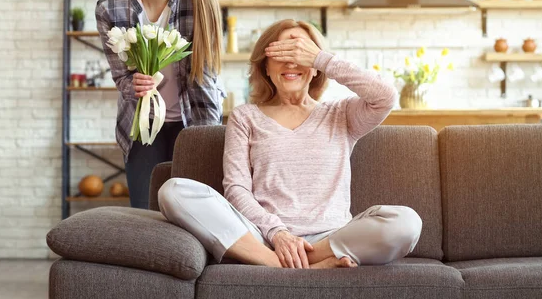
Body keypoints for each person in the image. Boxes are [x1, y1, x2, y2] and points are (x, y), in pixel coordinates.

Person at [158, 19, 423, 269]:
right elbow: (237, 189)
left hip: (331, 237)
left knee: (406, 222)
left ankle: (300, 259)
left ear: (315, 67)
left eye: (300, 54)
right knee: (173, 190)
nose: (291, 62)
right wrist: (278, 233)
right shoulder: (245, 116)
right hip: (264, 237)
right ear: (265, 66)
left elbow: (385, 96)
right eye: (282, 54)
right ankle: (285, 263)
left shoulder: (342, 115)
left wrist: (320, 57)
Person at [96, 0, 225, 210]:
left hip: (194, 121)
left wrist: (208, 138)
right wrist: (135, 84)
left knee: (194, 213)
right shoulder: (111, 8)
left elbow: (207, 76)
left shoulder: (200, 1)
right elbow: (121, 76)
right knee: (145, 214)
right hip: (142, 125)